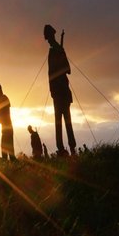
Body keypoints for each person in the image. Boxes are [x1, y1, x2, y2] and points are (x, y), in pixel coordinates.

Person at [44, 24, 77, 157]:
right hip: (57, 92)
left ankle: (71, 148)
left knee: (66, 121)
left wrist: (60, 66)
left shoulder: (57, 50)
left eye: (48, 38)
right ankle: (62, 149)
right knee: (60, 121)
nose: (48, 41)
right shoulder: (53, 50)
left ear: (52, 36)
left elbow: (68, 69)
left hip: (61, 91)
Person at [0, 82, 14, 161]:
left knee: (5, 144)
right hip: (6, 125)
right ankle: (9, 159)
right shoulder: (4, 99)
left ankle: (7, 160)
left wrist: (0, 120)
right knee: (7, 144)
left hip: (6, 125)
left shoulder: (2, 99)